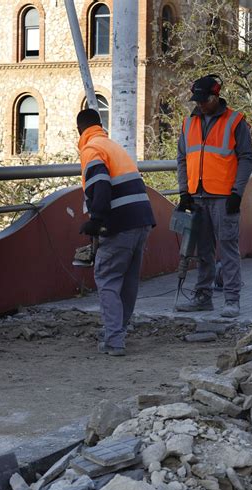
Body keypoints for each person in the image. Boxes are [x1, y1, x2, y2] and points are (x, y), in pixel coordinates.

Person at [77, 109, 155, 356]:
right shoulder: (113, 146)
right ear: (100, 125)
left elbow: (100, 183)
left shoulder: (91, 150)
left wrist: (96, 220)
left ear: (80, 130)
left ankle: (114, 340)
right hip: (142, 220)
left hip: (120, 223)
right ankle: (119, 331)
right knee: (128, 280)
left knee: (108, 278)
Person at [176, 75, 252, 318]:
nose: (199, 105)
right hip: (197, 197)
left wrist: (236, 192)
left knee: (228, 248)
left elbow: (246, 158)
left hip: (224, 198)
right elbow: (181, 159)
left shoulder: (235, 121)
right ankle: (203, 297)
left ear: (216, 96)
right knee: (203, 251)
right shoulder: (189, 124)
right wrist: (184, 192)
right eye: (196, 101)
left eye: (204, 100)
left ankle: (232, 300)